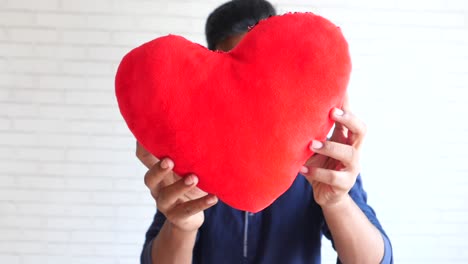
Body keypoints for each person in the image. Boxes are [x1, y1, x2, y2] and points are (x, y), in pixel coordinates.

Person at [137, 0, 393, 263]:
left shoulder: (319, 157)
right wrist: (182, 226)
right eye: (235, 84)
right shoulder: (189, 159)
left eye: (262, 80)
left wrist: (336, 202)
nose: (250, 98)